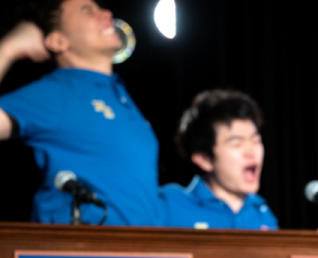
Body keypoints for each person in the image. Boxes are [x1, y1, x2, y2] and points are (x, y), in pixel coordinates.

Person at [0, 0, 163, 226]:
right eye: (88, 10)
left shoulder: (120, 95)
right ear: (58, 41)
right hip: (77, 254)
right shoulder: (55, 93)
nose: (107, 13)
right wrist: (8, 49)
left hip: (141, 256)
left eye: (100, 7)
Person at [161, 89, 277, 230]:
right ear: (204, 159)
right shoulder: (170, 206)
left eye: (255, 140)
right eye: (237, 143)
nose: (251, 151)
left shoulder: (263, 214)